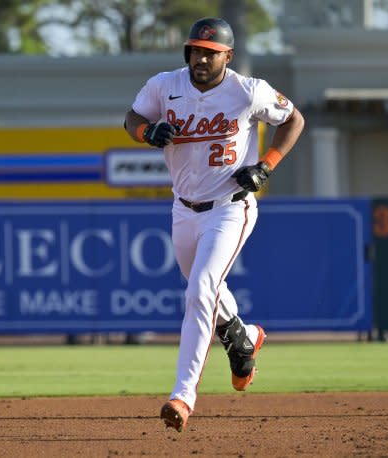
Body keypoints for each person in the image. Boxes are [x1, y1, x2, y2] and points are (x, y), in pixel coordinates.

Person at [124, 17, 305, 432]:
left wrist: (266, 166)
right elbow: (132, 117)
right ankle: (241, 338)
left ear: (227, 55)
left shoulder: (247, 90)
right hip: (183, 209)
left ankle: (182, 395)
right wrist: (146, 131)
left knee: (200, 290)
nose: (200, 58)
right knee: (205, 290)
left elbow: (294, 119)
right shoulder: (164, 85)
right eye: (195, 50)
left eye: (210, 52)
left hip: (231, 206)